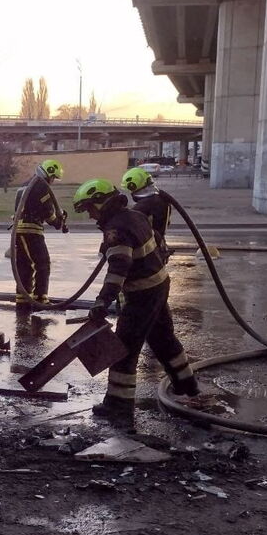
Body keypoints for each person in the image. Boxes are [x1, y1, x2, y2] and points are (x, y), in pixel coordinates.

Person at [71, 178, 199, 417]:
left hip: (141, 294)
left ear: (101, 202)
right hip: (159, 285)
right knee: (164, 339)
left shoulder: (116, 230)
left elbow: (118, 269)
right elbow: (159, 243)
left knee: (124, 350)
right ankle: (187, 384)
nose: (89, 215)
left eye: (89, 208)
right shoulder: (136, 216)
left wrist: (102, 301)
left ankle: (118, 405)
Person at [13, 159, 69, 311]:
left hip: (21, 230)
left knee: (25, 265)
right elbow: (48, 213)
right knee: (42, 264)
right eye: (53, 178)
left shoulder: (27, 184)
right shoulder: (41, 187)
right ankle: (40, 298)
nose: (53, 182)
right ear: (49, 174)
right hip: (31, 230)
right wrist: (58, 221)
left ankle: (23, 302)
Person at [121, 167, 171, 260]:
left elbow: (127, 225)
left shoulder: (144, 205)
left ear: (133, 186)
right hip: (159, 246)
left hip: (149, 251)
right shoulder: (160, 199)